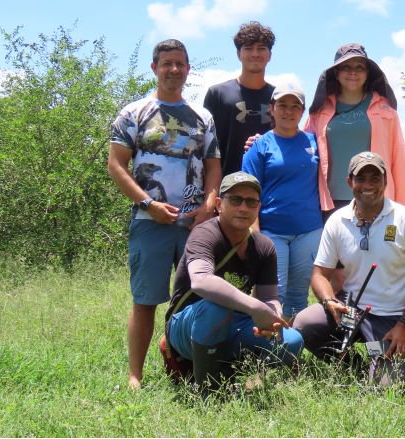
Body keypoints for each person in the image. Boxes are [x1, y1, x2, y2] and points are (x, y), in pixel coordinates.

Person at [108, 39, 221, 390]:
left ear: (188, 69)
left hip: (195, 226)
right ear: (154, 68)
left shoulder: (202, 117)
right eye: (167, 63)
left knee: (196, 298)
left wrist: (209, 205)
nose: (174, 69)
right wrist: (148, 205)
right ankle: (135, 376)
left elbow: (214, 166)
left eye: (180, 64)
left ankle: (188, 368)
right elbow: (116, 165)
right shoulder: (134, 113)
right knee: (146, 301)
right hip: (149, 223)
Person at [292, 152, 405, 386]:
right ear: (350, 182)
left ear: (385, 181)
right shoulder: (337, 221)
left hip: (393, 319)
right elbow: (319, 274)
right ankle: (355, 365)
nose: (368, 185)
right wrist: (329, 301)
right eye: (361, 178)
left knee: (387, 386)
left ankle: (378, 357)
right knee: (304, 324)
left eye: (374, 178)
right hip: (351, 312)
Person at [165, 172, 303, 396]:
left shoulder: (263, 246)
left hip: (235, 322)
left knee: (292, 341)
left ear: (259, 207)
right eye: (235, 200)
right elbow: (201, 281)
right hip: (187, 324)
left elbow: (269, 297)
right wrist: (254, 307)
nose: (243, 208)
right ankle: (207, 392)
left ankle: (244, 379)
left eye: (251, 202)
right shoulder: (204, 234)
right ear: (219, 204)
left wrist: (272, 315)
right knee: (216, 307)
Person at [241, 85, 322, 319]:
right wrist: (255, 236)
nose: (289, 111)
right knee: (273, 296)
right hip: (271, 233)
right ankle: (269, 350)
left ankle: (294, 348)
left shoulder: (314, 141)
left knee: (299, 296)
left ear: (303, 111)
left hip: (309, 231)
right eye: (283, 106)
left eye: (295, 106)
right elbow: (249, 192)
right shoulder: (259, 146)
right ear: (272, 110)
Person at [306, 43, 405, 216]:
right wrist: (262, 141)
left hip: (375, 200)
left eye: (359, 67)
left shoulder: (386, 111)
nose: (353, 72)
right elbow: (301, 148)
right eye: (346, 67)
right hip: (329, 203)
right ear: (336, 73)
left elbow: (400, 162)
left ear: (367, 73)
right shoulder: (320, 111)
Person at [205, 21, 276, 176]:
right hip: (225, 187)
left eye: (261, 48)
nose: (255, 54)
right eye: (248, 48)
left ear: (269, 55)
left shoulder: (279, 97)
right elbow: (206, 146)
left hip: (269, 186)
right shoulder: (217, 94)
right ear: (239, 54)